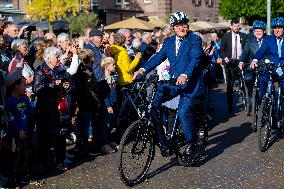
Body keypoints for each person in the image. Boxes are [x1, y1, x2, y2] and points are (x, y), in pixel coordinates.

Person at [133, 11, 207, 157]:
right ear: (173, 27)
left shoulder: (194, 39)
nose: (182, 28)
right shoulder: (168, 42)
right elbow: (159, 57)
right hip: (173, 82)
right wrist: (142, 69)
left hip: (191, 83)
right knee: (152, 104)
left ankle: (191, 142)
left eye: (184, 25)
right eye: (178, 25)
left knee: (183, 112)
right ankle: (162, 140)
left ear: (187, 25)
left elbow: (195, 59)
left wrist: (185, 74)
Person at [5, 76, 33, 187]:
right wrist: (18, 129)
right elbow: (9, 118)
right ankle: (13, 179)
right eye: (24, 84)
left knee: (24, 155)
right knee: (14, 157)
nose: (25, 86)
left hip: (25, 132)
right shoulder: (9, 101)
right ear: (16, 86)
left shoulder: (24, 99)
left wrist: (29, 100)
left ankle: (22, 176)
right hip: (14, 135)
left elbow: (30, 112)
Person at [250, 17, 284, 101]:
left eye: (279, 28)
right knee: (263, 80)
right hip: (272, 68)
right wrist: (255, 60)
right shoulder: (269, 39)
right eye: (275, 28)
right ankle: (264, 102)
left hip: (283, 69)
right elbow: (261, 51)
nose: (276, 30)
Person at [74, 49, 100, 157]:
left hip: (86, 102)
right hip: (86, 102)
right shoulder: (84, 70)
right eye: (92, 57)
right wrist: (97, 100)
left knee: (82, 125)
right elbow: (89, 89)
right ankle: (83, 149)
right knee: (83, 126)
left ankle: (81, 147)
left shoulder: (86, 68)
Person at [238, 20, 267, 115]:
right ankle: (250, 98)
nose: (258, 33)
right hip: (251, 66)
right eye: (256, 31)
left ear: (264, 31)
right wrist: (241, 61)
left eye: (260, 31)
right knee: (248, 79)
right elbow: (245, 52)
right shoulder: (250, 40)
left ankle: (264, 103)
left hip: (264, 66)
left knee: (264, 84)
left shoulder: (268, 39)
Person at [221, 18, 248, 113]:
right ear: (231, 26)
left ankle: (247, 101)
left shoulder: (244, 36)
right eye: (235, 26)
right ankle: (230, 105)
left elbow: (247, 49)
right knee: (230, 84)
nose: (236, 28)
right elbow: (221, 50)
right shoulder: (226, 36)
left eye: (238, 26)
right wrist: (225, 58)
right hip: (230, 63)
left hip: (240, 62)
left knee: (245, 81)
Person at [100, 57, 119, 154]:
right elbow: (104, 95)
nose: (115, 66)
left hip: (114, 103)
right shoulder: (103, 79)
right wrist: (108, 106)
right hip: (108, 106)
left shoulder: (114, 77)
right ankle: (104, 144)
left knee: (112, 124)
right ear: (107, 66)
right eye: (113, 65)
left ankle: (111, 140)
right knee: (106, 125)